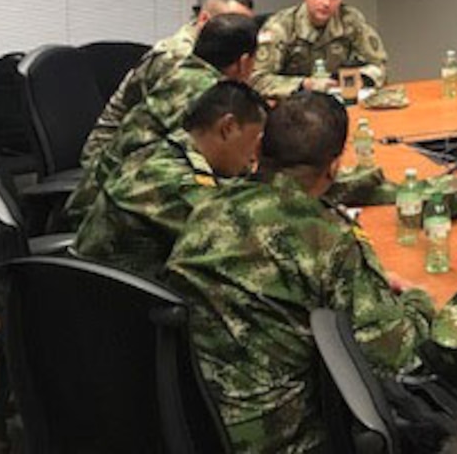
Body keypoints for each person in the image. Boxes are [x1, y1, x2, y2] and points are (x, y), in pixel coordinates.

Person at [164, 93, 436, 454]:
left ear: (259, 147)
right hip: (281, 438)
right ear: (334, 167)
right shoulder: (327, 237)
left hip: (187, 417)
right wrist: (420, 301)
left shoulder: (208, 207)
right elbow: (390, 353)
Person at [64, 13, 261, 225]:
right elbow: (212, 170)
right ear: (244, 62)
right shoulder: (209, 98)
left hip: (107, 195)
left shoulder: (181, 72)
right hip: (107, 214)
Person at [73, 80, 267, 280]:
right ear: (228, 128)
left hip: (114, 285)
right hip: (112, 298)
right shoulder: (171, 181)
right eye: (255, 142)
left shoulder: (169, 149)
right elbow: (242, 238)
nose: (254, 157)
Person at [80, 0, 254, 169]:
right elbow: (193, 131)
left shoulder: (216, 56)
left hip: (156, 147)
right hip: (113, 156)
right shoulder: (177, 58)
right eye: (230, 21)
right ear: (204, 20)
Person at [251, 0, 387, 100]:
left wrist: (362, 79)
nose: (326, 3)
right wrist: (304, 84)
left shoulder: (351, 21)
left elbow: (379, 66)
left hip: (341, 104)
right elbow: (257, 79)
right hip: (294, 107)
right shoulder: (280, 26)